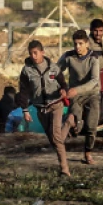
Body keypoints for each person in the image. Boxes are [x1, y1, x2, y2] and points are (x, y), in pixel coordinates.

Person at [19, 40, 71, 176]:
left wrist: (64, 91)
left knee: (56, 137)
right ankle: (69, 124)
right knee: (53, 139)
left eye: (36, 53)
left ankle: (64, 169)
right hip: (41, 109)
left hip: (56, 105)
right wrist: (24, 110)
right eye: (31, 54)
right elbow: (23, 91)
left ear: (42, 52)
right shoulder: (26, 71)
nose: (34, 56)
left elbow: (63, 84)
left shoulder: (53, 67)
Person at [58, 29, 102, 165]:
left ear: (87, 44)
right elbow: (55, 71)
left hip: (92, 94)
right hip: (74, 96)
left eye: (80, 44)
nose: (77, 47)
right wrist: (61, 86)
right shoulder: (69, 56)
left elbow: (95, 80)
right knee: (75, 117)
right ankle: (66, 136)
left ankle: (88, 153)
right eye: (75, 44)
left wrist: (77, 90)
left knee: (92, 125)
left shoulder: (94, 58)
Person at [88, 19, 103, 125]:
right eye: (96, 31)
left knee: (102, 117)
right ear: (91, 30)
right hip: (92, 88)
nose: (98, 34)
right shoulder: (86, 46)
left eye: (101, 30)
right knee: (91, 116)